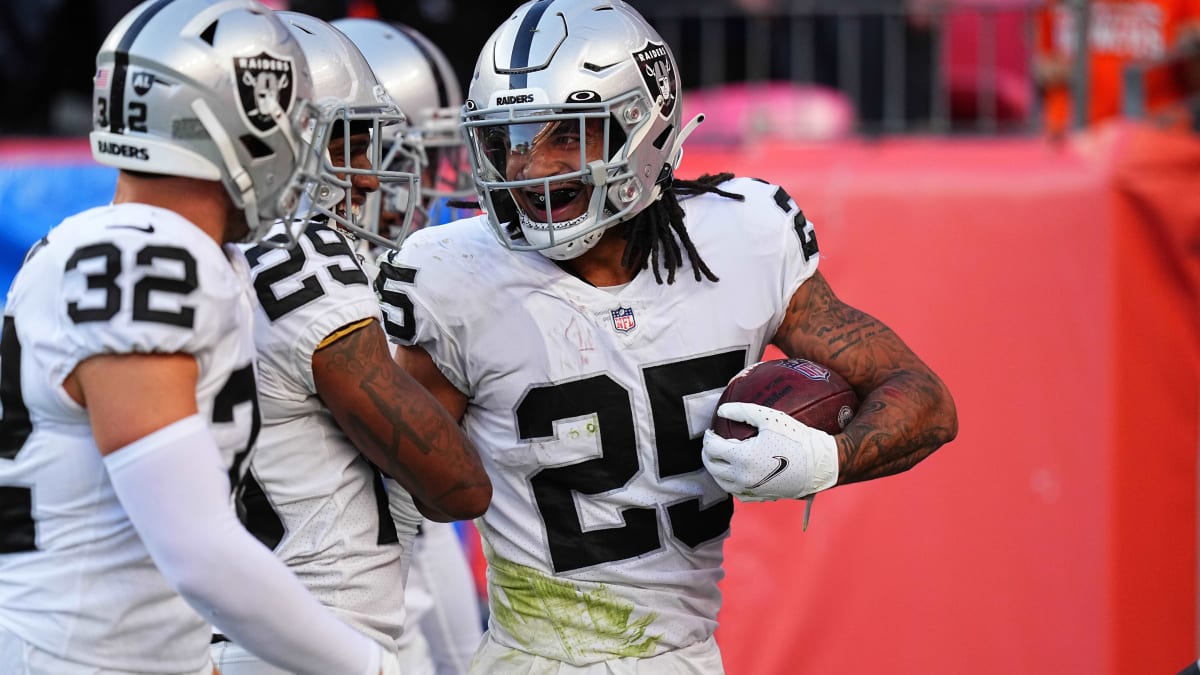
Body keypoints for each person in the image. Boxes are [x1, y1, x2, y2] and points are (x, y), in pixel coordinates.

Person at [375, 0, 959, 672]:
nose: (531, 168)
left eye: (566, 135)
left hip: (684, 657)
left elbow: (923, 397)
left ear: (640, 128)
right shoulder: (455, 273)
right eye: (511, 138)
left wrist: (829, 458)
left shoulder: (741, 239)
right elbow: (399, 504)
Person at [0, 1, 405, 674]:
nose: (305, 145)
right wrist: (376, 667)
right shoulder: (149, 260)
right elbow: (199, 550)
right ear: (231, 123)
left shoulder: (149, 249)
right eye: (294, 118)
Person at [210, 12, 491, 675]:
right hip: (300, 641)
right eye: (351, 147)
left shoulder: (193, 260)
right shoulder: (304, 263)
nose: (375, 179)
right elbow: (459, 485)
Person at [334, 18, 486, 675]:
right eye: (415, 153)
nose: (432, 181)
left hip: (390, 560)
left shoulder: (383, 271)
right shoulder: (339, 291)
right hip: (331, 602)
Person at [1035, 0, 1200, 136]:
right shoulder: (1052, 6)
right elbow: (1038, 65)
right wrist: (1046, 71)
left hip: (1155, 135)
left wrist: (1191, 51)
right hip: (1069, 136)